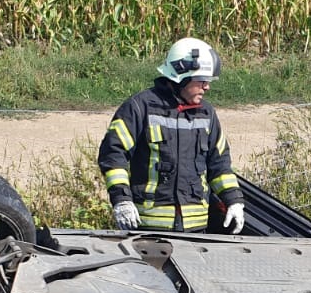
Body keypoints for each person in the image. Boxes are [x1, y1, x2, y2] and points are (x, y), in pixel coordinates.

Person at [98, 37, 244, 234]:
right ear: (181, 76)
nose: (207, 87)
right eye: (201, 80)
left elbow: (220, 165)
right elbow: (113, 155)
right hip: (148, 229)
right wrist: (122, 200)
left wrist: (234, 201)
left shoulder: (206, 114)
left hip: (197, 231)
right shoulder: (140, 108)